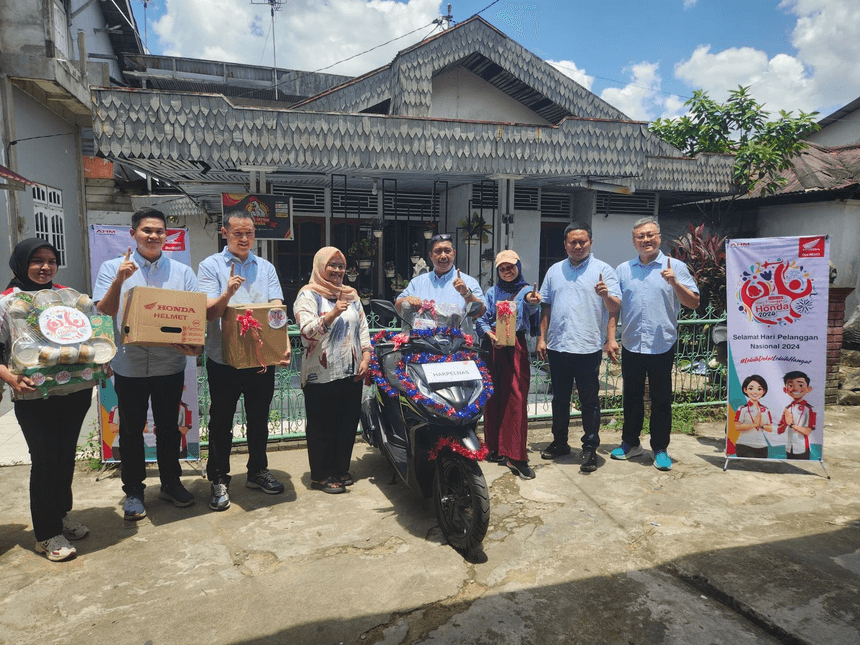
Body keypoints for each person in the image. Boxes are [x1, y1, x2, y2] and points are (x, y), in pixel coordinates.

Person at [94, 208, 201, 520]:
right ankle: (134, 491)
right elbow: (104, 310)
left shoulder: (182, 273)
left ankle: (170, 483)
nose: (153, 236)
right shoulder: (113, 268)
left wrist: (193, 344)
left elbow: (192, 317)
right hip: (130, 365)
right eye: (147, 231)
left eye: (159, 231)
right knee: (130, 430)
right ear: (133, 234)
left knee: (169, 427)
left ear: (166, 237)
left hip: (170, 364)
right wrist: (119, 281)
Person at [0, 239, 94, 561]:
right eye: (37, 261)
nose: (45, 267)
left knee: (66, 456)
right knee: (45, 459)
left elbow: (89, 335)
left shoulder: (68, 299)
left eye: (51, 261)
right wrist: (10, 377)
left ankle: (61, 515)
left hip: (74, 392)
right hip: (34, 395)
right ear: (21, 263)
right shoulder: (6, 303)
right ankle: (45, 533)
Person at [197, 210, 291, 511]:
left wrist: (282, 343)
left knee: (259, 418)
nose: (244, 238)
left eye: (249, 232)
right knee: (221, 421)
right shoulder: (210, 266)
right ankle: (219, 479)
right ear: (225, 233)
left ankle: (257, 471)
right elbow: (210, 311)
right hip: (223, 359)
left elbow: (276, 306)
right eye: (237, 232)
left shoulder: (265, 268)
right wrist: (228, 293)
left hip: (259, 358)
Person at [606, 217, 699, 471]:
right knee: (631, 397)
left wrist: (674, 283)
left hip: (661, 344)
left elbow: (694, 303)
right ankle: (631, 443)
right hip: (632, 343)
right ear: (633, 241)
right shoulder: (623, 269)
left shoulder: (676, 267)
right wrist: (611, 337)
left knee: (660, 400)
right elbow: (614, 307)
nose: (646, 240)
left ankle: (660, 448)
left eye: (650, 235)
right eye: (640, 236)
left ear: (659, 237)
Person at [536, 223, 620, 473]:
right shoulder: (554, 270)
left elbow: (615, 307)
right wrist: (542, 338)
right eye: (572, 242)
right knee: (559, 398)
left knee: (589, 400)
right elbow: (546, 306)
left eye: (582, 241)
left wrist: (605, 294)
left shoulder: (603, 270)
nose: (577, 246)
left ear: (590, 242)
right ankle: (560, 442)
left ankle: (590, 447)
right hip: (559, 346)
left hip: (587, 346)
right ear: (565, 244)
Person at [294, 247, 372, 494]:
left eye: (341, 266)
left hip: (351, 370)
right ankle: (320, 475)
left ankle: (340, 469)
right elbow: (306, 333)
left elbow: (362, 327)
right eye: (332, 265)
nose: (338, 271)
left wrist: (367, 356)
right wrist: (332, 313)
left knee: (346, 424)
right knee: (322, 425)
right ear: (320, 267)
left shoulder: (350, 294)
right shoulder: (307, 295)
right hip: (321, 373)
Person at [477, 250, 541, 479]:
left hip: (516, 348)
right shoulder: (492, 292)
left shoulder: (526, 291)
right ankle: (495, 448)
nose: (507, 271)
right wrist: (489, 334)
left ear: (519, 267)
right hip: (493, 346)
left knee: (516, 398)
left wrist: (532, 304)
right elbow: (482, 319)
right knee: (493, 396)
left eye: (511, 267)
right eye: (502, 268)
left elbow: (531, 311)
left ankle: (516, 456)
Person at [396, 233, 486, 319]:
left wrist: (466, 294)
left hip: (457, 335)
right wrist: (408, 300)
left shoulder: (468, 282)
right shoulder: (417, 282)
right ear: (430, 255)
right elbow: (398, 307)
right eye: (438, 251)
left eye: (447, 251)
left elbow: (480, 312)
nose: (443, 256)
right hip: (424, 334)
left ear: (454, 253)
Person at [733, 374, 774, 458]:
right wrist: (754, 425)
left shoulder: (766, 410)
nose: (755, 392)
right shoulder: (742, 409)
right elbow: (737, 427)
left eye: (759, 389)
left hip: (761, 446)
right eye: (751, 388)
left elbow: (770, 428)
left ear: (764, 391)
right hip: (744, 444)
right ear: (745, 390)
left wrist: (762, 425)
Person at [777, 371, 815, 460]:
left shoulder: (809, 409)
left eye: (800, 385)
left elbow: (807, 431)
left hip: (802, 448)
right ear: (785, 389)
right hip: (789, 447)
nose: (795, 388)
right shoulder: (787, 409)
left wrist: (791, 424)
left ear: (808, 389)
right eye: (790, 385)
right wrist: (785, 423)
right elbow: (779, 430)